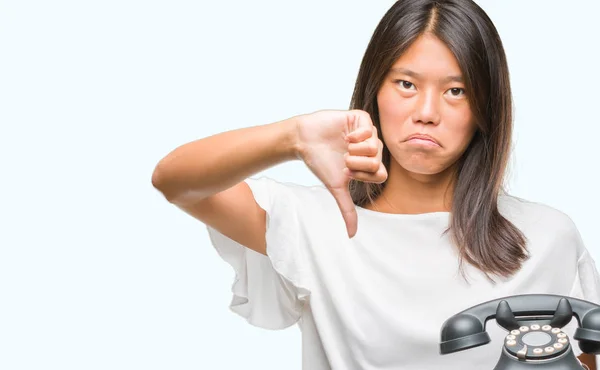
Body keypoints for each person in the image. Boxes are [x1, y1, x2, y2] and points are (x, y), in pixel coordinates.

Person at [151, 0, 600, 368]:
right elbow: (174, 180)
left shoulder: (547, 236)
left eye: (455, 91)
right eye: (406, 84)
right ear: (376, 90)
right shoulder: (312, 224)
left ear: (485, 108)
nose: (427, 111)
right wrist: (292, 137)